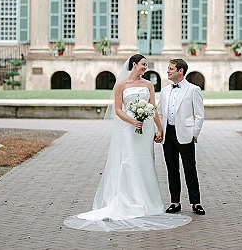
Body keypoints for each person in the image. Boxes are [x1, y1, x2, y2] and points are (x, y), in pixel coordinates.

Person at [64, 54, 191, 232]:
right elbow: (117, 109)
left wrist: (159, 128)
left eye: (146, 65)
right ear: (134, 64)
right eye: (143, 65)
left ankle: (148, 202)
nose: (145, 68)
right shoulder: (121, 85)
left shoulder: (148, 85)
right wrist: (132, 122)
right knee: (129, 161)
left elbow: (153, 107)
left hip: (145, 129)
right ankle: (129, 201)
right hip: (129, 128)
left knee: (146, 163)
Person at [157, 58, 206, 215]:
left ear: (181, 71)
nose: (168, 71)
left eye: (171, 68)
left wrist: (194, 135)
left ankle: (196, 203)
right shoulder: (164, 91)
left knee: (190, 169)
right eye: (168, 68)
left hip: (185, 134)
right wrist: (159, 131)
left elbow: (199, 115)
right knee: (172, 169)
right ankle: (175, 202)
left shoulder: (193, 90)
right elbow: (159, 113)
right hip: (168, 134)